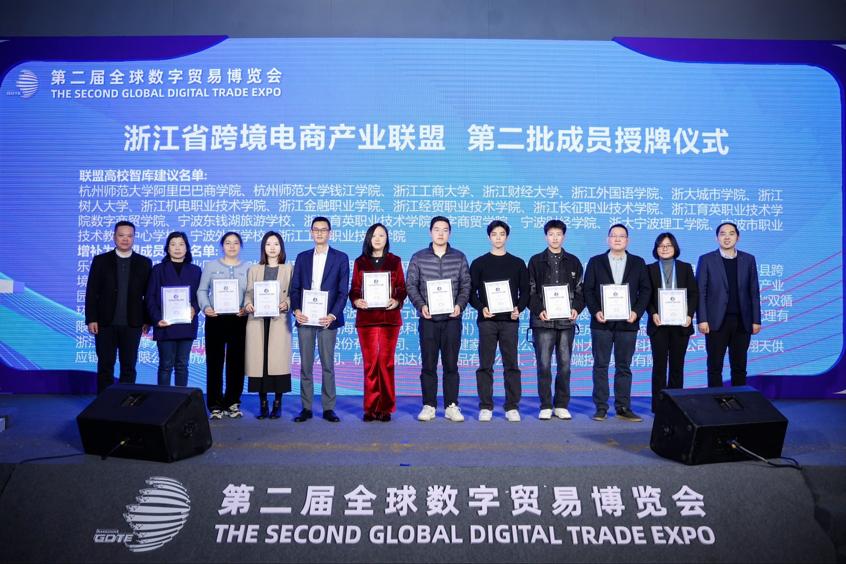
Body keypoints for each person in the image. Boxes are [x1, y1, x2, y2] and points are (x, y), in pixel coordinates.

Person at [406, 216, 472, 422]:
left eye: (445, 230)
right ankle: (429, 405)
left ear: (449, 233)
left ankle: (451, 405)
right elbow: (411, 285)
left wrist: (459, 305)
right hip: (428, 320)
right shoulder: (418, 257)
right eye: (437, 229)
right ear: (430, 232)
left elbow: (466, 285)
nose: (441, 233)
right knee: (429, 364)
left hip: (452, 319)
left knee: (451, 364)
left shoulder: (459, 257)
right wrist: (421, 305)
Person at [584, 223, 651, 422]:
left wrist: (636, 312)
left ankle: (623, 407)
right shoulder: (596, 261)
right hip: (601, 323)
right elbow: (588, 290)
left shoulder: (638, 262)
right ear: (608, 239)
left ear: (627, 240)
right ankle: (601, 407)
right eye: (614, 235)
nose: (617, 239)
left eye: (622, 236)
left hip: (628, 323)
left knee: (624, 367)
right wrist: (596, 311)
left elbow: (645, 290)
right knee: (600, 365)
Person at [291, 217, 350, 423]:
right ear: (311, 232)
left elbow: (343, 292)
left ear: (330, 233)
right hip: (305, 318)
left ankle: (328, 408)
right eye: (316, 229)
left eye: (323, 230)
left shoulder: (340, 258)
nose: (319, 233)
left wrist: (332, 315)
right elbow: (295, 288)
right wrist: (296, 310)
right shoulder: (302, 257)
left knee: (327, 365)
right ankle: (306, 408)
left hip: (328, 319)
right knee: (305, 365)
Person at [469, 220, 529, 422]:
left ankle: (512, 406)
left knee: (511, 364)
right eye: (494, 234)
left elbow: (525, 291)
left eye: (502, 234)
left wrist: (519, 308)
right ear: (489, 237)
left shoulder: (518, 263)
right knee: (485, 364)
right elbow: (471, 292)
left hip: (510, 321)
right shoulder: (479, 263)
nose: (498, 238)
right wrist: (481, 308)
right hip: (487, 321)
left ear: (507, 237)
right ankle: (486, 406)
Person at [85, 220, 152, 394]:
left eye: (129, 236)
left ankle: (125, 404)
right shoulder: (101, 260)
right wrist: (91, 318)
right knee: (105, 365)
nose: (125, 239)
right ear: (114, 237)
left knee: (129, 366)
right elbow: (92, 291)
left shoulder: (144, 262)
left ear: (134, 238)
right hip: (105, 323)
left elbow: (148, 295)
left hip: (133, 323)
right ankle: (104, 403)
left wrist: (147, 320)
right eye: (121, 235)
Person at [527, 219, 585, 421]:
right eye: (551, 234)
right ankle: (545, 405)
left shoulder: (574, 261)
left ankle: (561, 404)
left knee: (565, 365)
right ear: (546, 236)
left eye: (558, 234)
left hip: (566, 322)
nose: (555, 238)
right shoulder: (535, 261)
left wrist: (576, 309)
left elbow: (581, 290)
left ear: (564, 236)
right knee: (543, 365)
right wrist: (539, 310)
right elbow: (530, 290)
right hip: (543, 321)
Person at [348, 223, 407, 422]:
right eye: (374, 235)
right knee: (370, 364)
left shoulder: (395, 261)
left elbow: (402, 288)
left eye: (382, 235)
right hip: (366, 320)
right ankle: (370, 408)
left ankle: (386, 408)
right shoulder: (360, 262)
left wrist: (397, 300)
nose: (378, 239)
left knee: (386, 363)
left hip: (390, 319)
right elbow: (354, 289)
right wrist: (356, 300)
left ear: (387, 238)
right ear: (368, 238)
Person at [696, 222, 762, 387]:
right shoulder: (706, 260)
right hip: (716, 321)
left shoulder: (748, 259)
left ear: (738, 237)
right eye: (722, 234)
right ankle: (715, 401)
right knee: (714, 366)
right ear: (717, 238)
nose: (727, 237)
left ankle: (739, 401)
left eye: (731, 233)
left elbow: (754, 292)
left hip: (742, 321)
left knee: (739, 366)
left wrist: (756, 320)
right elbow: (700, 292)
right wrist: (702, 319)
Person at [197, 231, 252, 419]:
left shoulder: (248, 267)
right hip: (216, 318)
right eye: (228, 243)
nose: (232, 246)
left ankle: (232, 402)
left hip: (239, 318)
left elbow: (251, 292)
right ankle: (215, 404)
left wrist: (246, 307)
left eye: (235, 243)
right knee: (215, 362)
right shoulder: (211, 266)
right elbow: (202, 290)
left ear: (240, 246)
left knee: (237, 363)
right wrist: (206, 307)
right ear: (222, 246)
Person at [244, 231, 293, 420]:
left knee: (277, 363)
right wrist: (248, 303)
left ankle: (278, 403)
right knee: (260, 363)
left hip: (278, 320)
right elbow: (248, 292)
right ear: (263, 248)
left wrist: (287, 303)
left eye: (276, 244)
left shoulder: (289, 269)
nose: (272, 248)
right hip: (257, 321)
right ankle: (263, 403)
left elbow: (293, 293)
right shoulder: (254, 269)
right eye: (268, 244)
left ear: (281, 247)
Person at [646, 232, 698, 412]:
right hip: (658, 325)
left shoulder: (685, 268)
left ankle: (676, 407)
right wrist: (653, 313)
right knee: (659, 367)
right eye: (661, 246)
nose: (665, 248)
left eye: (668, 245)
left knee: (677, 366)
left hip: (681, 325)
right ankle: (658, 407)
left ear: (675, 248)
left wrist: (689, 315)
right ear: (656, 249)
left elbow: (693, 294)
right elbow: (646, 295)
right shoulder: (649, 269)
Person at [145, 232, 202, 387]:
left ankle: (181, 400)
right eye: (173, 244)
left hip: (186, 324)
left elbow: (201, 295)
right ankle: (163, 400)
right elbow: (150, 297)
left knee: (182, 365)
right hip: (165, 324)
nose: (177, 248)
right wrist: (157, 319)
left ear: (187, 248)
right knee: (165, 365)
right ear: (167, 248)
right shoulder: (158, 270)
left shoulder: (195, 270)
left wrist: (195, 309)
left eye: (181, 244)